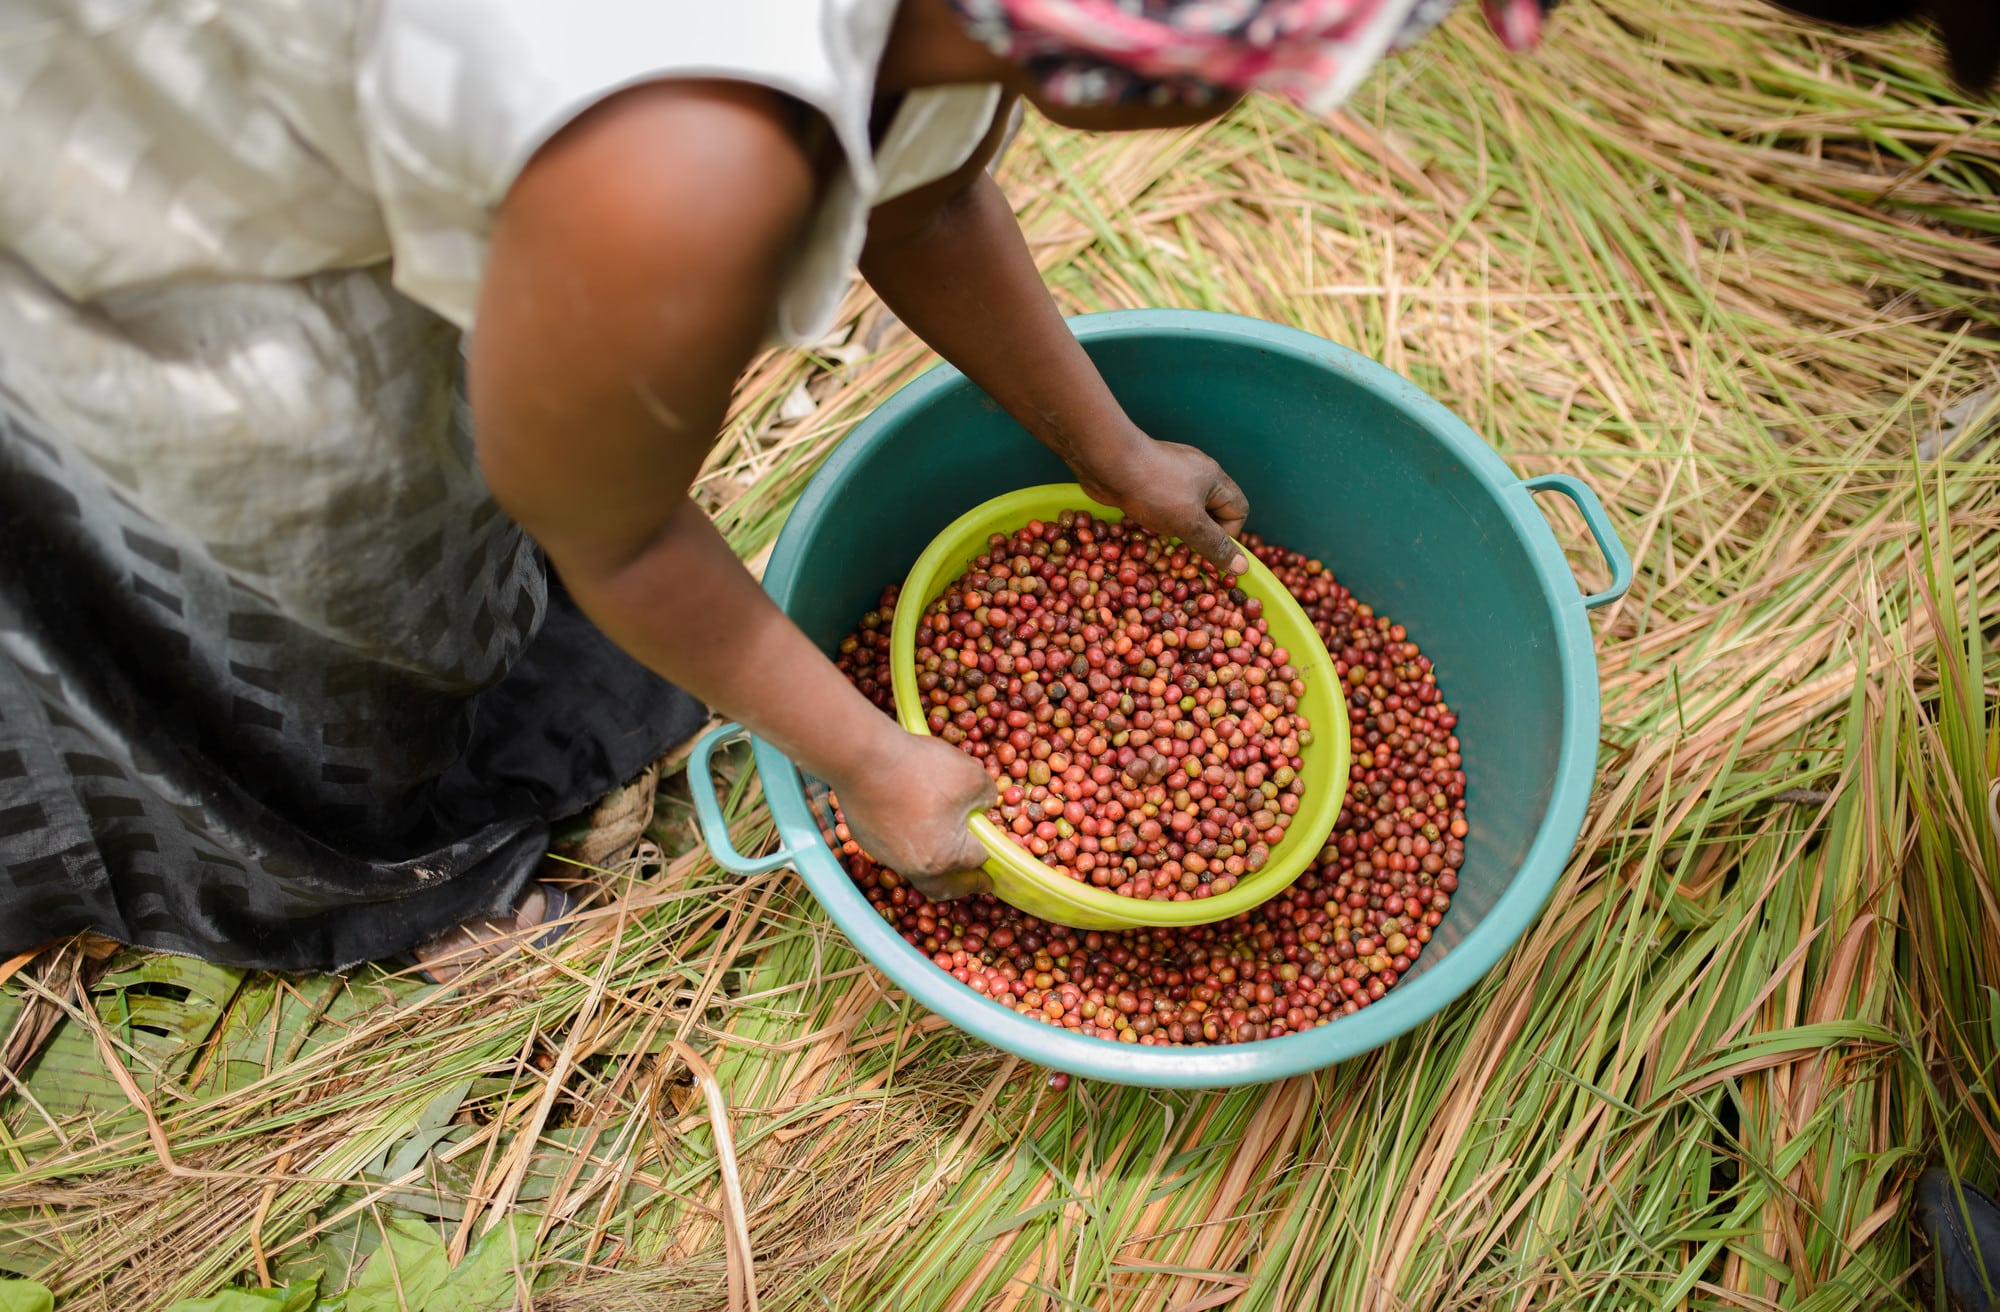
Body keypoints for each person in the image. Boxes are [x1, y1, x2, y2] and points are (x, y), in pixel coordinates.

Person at [0, 0, 1986, 982]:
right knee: (316, 565)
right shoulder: (678, 161)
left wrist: (1106, 447)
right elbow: (604, 520)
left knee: (497, 445)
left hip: (499, 149)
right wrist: (873, 761)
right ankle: (327, 869)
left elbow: (924, 158)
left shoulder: (917, 28)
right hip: (163, 188)